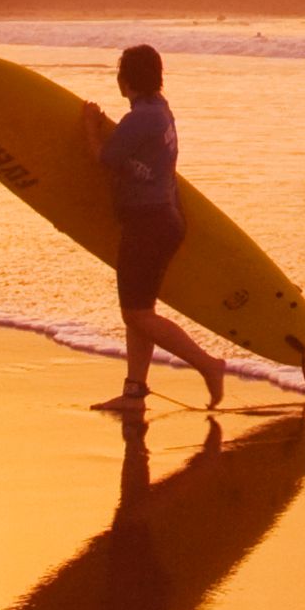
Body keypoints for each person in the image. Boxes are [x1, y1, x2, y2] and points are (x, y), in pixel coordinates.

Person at [87, 43, 226, 408]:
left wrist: (89, 127)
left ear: (124, 79)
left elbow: (105, 159)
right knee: (141, 311)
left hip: (148, 223)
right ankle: (134, 392)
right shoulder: (161, 113)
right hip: (162, 220)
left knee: (136, 314)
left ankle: (208, 365)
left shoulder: (140, 119)